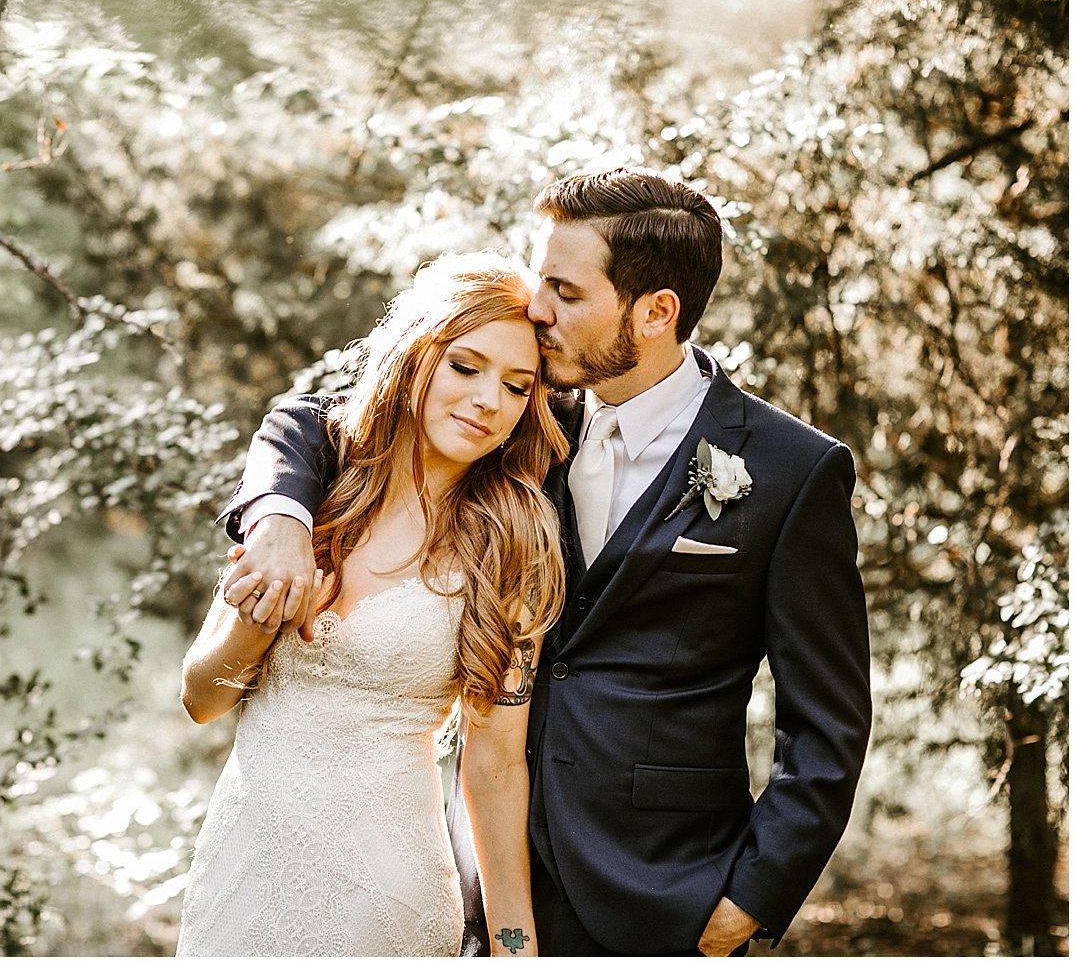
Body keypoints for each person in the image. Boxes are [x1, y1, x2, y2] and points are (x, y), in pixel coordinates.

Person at [219, 167, 873, 956]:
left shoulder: (789, 471)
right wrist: (279, 518)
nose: (538, 309)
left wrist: (748, 900)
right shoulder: (522, 411)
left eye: (565, 291)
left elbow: (827, 726)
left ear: (657, 311)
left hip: (668, 890)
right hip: (480, 867)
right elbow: (312, 423)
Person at [177, 252, 570, 956]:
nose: (488, 399)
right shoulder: (307, 498)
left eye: (516, 387)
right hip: (242, 865)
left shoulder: (514, 541)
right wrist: (259, 616)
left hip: (387, 886)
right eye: (465, 366)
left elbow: (496, 762)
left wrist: (515, 941)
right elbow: (202, 696)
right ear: (417, 354)